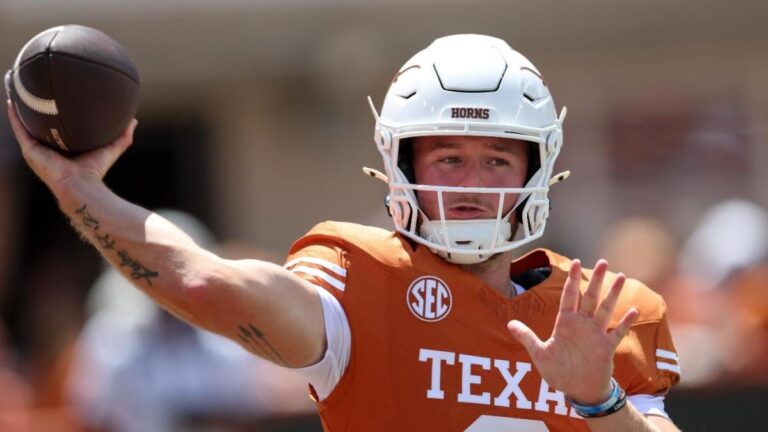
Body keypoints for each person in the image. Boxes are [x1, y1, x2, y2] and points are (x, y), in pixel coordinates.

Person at [7, 34, 680, 431]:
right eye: (448, 157)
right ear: (401, 166)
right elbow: (206, 282)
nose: (471, 183)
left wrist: (598, 400)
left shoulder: (606, 312)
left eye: (497, 159)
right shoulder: (360, 276)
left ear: (536, 168)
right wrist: (79, 191)